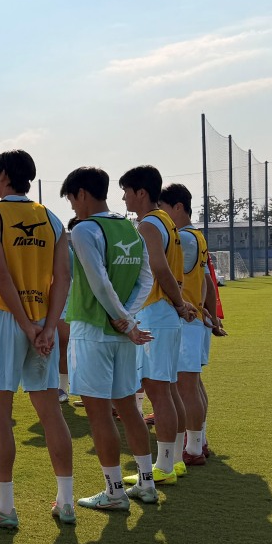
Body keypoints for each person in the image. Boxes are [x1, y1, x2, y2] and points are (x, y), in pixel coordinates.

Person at [0, 150, 73, 530]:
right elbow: (63, 278)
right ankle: (66, 501)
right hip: (43, 319)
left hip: (3, 319)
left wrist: (27, 327)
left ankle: (5, 507)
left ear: (3, 175)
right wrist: (47, 327)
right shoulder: (52, 219)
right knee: (51, 413)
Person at [57, 167, 159, 515]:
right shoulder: (129, 227)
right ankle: (146, 483)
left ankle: (114, 491)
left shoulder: (85, 229)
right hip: (123, 333)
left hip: (94, 331)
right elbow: (146, 279)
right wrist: (128, 318)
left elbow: (98, 281)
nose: (73, 207)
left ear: (82, 194)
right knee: (128, 407)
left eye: (72, 199)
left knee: (99, 413)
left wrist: (124, 320)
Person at [119, 166, 197, 485]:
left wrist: (178, 303)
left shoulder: (149, 224)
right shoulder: (165, 220)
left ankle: (164, 466)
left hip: (155, 312)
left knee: (158, 390)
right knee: (168, 389)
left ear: (141, 192)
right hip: (164, 314)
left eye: (126, 191)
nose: (123, 198)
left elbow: (159, 268)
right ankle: (174, 460)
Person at [160, 183, 213, 467]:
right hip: (196, 316)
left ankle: (192, 449)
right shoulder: (197, 236)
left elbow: (169, 278)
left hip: (186, 317)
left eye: (163, 208)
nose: (161, 214)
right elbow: (205, 279)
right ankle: (199, 441)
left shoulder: (183, 238)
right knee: (193, 384)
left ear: (178, 207)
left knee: (186, 387)